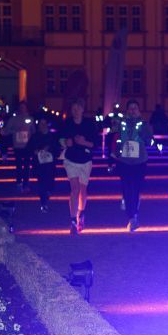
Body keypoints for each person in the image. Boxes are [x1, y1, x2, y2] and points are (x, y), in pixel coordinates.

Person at [113, 99, 153, 231]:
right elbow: (114, 139)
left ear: (139, 110)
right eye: (130, 108)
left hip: (139, 161)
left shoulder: (144, 124)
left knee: (135, 189)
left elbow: (150, 141)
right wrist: (114, 155)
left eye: (135, 108)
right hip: (124, 161)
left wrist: (144, 136)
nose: (132, 110)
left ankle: (133, 216)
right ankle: (131, 214)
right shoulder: (121, 124)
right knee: (126, 189)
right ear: (127, 111)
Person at [59, 100, 98, 234]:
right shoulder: (67, 123)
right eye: (73, 109)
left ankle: (81, 213)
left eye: (78, 108)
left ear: (82, 109)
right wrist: (66, 142)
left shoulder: (89, 124)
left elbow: (95, 144)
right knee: (74, 189)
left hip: (85, 161)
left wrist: (84, 142)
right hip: (71, 160)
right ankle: (73, 221)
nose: (75, 111)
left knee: (83, 190)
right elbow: (59, 138)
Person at [28, 116, 60, 212]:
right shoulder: (35, 137)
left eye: (44, 123)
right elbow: (29, 148)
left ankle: (48, 192)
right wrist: (35, 151)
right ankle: (43, 202)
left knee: (50, 183)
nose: (42, 126)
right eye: (41, 124)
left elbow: (57, 149)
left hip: (50, 165)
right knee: (41, 183)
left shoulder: (52, 136)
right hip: (39, 165)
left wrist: (49, 150)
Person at [3, 101, 35, 191]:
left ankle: (26, 183)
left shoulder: (30, 118)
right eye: (21, 107)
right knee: (19, 165)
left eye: (24, 107)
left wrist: (29, 133)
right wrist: (16, 130)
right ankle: (19, 183)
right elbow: (7, 130)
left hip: (27, 146)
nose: (22, 109)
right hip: (17, 146)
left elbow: (33, 131)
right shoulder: (13, 119)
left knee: (27, 165)